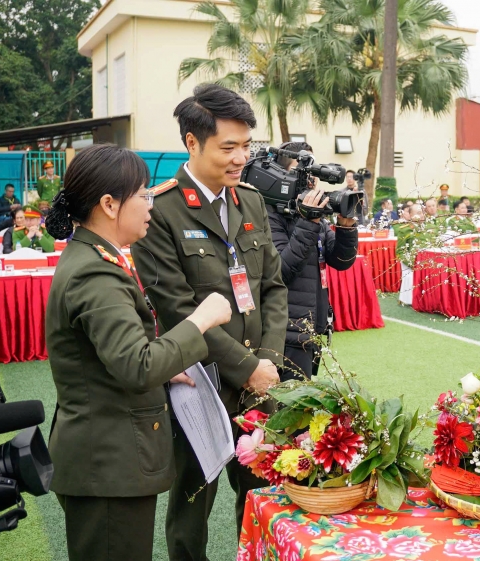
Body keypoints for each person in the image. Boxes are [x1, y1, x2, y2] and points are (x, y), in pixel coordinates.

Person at [43, 144, 233, 561]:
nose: (151, 204)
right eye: (143, 195)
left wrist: (169, 368)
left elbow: (111, 355)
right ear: (109, 204)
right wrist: (198, 322)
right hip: (108, 465)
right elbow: (136, 365)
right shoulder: (94, 271)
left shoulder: (96, 257)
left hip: (107, 460)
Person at [130, 83, 289, 561]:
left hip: (261, 381)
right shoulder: (161, 211)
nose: (241, 158)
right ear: (192, 143)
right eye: (228, 147)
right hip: (199, 382)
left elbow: (273, 290)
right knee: (192, 505)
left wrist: (269, 363)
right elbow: (177, 309)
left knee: (264, 493)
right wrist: (246, 365)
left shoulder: (251, 202)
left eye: (246, 146)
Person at [267, 141, 358, 378]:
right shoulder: (268, 213)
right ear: (283, 175)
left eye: (313, 174)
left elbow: (340, 260)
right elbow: (281, 272)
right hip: (284, 333)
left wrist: (346, 228)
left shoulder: (312, 214)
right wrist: (308, 221)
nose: (311, 180)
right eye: (304, 172)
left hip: (310, 327)